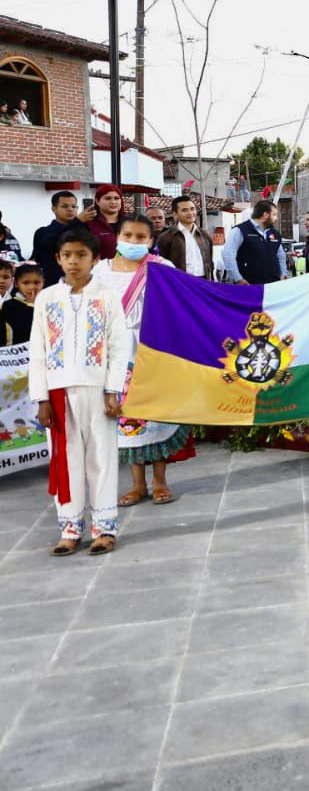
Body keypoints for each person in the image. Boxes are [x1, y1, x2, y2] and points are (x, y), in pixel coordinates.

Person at [29, 226, 132, 555]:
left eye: (81, 255)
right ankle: (70, 528)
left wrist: (112, 390)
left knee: (101, 458)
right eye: (67, 255)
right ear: (58, 259)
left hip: (97, 389)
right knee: (66, 460)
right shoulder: (46, 299)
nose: (74, 262)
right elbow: (38, 352)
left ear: (95, 259)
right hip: (58, 393)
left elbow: (119, 346)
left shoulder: (106, 296)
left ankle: (104, 528)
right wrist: (41, 398)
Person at [93, 215, 196, 506]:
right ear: (117, 237)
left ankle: (160, 481)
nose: (134, 242)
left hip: (155, 349)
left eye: (141, 237)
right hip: (115, 353)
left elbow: (181, 307)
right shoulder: (101, 271)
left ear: (151, 241)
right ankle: (136, 484)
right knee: (127, 418)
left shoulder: (163, 269)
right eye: (128, 236)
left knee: (157, 415)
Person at [222, 199, 288, 284]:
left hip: (272, 286)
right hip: (249, 285)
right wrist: (238, 279)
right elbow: (228, 255)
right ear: (265, 215)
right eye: (274, 214)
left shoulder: (275, 234)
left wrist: (283, 274)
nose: (276, 218)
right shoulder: (240, 230)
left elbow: (281, 255)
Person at [31, 191, 80, 286]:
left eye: (74, 206)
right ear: (54, 209)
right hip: (52, 284)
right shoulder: (43, 232)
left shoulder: (83, 231)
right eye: (65, 206)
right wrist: (76, 222)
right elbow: (51, 243)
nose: (70, 209)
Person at [170, 194, 213, 280]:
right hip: (180, 282)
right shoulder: (167, 237)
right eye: (184, 210)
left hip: (203, 282)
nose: (190, 213)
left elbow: (210, 262)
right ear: (175, 214)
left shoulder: (205, 235)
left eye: (192, 209)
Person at [2, 262, 43, 345]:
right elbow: (26, 329)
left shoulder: (49, 302)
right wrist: (32, 304)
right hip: (18, 353)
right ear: (16, 284)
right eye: (26, 283)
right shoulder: (9, 305)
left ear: (43, 282)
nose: (32, 287)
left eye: (36, 282)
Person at [79, 184, 123, 259]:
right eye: (108, 198)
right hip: (98, 268)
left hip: (129, 269)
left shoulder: (131, 222)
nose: (113, 202)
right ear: (97, 201)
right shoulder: (88, 224)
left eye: (117, 198)